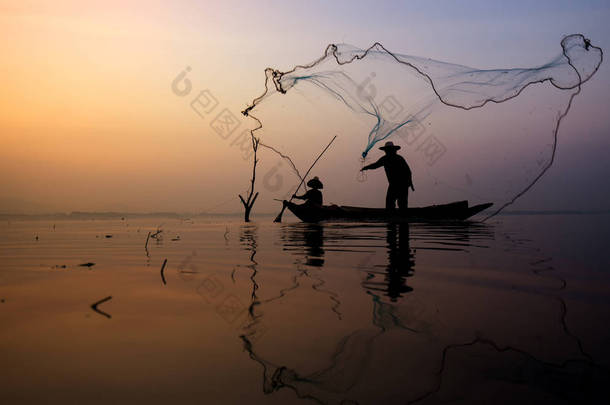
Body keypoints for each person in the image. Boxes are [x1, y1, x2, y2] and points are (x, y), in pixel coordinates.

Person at [360, 141, 414, 211]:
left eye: (388, 150)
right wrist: (366, 167)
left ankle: (397, 218)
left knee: (397, 203)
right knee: (394, 203)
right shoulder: (386, 159)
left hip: (401, 184)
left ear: (393, 150)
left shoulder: (396, 159)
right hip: (396, 184)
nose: (387, 152)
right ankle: (398, 218)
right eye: (387, 150)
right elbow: (375, 165)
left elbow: (408, 171)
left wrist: (410, 182)